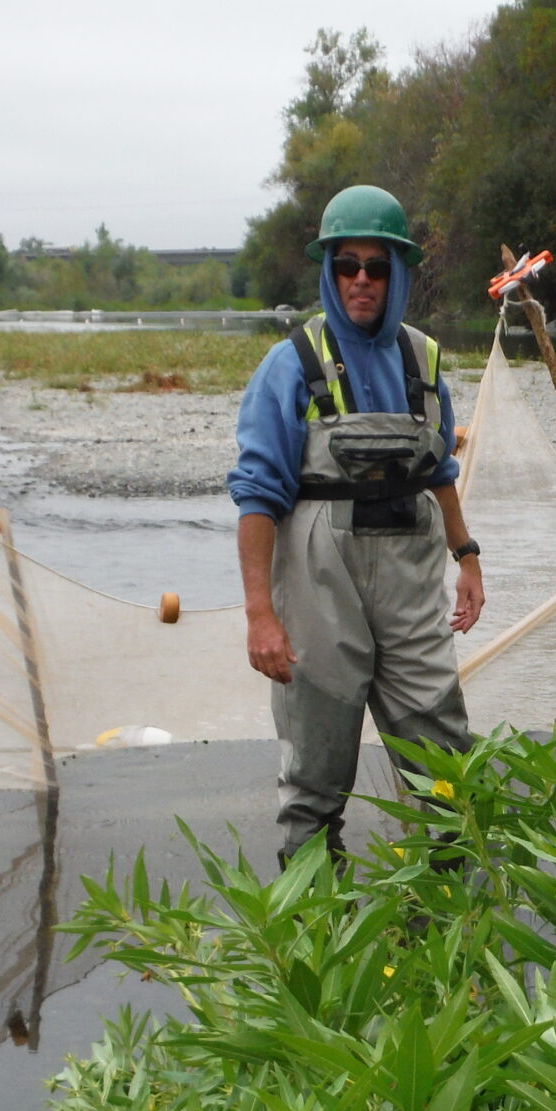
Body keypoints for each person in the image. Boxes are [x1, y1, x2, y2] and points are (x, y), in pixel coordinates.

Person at [229, 184, 485, 867]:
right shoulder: (289, 365)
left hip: (409, 576)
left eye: (376, 266)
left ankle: (451, 934)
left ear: (400, 271)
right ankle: (318, 938)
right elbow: (256, 498)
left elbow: (440, 472)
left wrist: (467, 556)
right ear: (329, 270)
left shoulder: (424, 360)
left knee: (446, 769)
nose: (362, 281)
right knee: (315, 771)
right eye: (347, 265)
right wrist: (261, 615)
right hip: (318, 583)